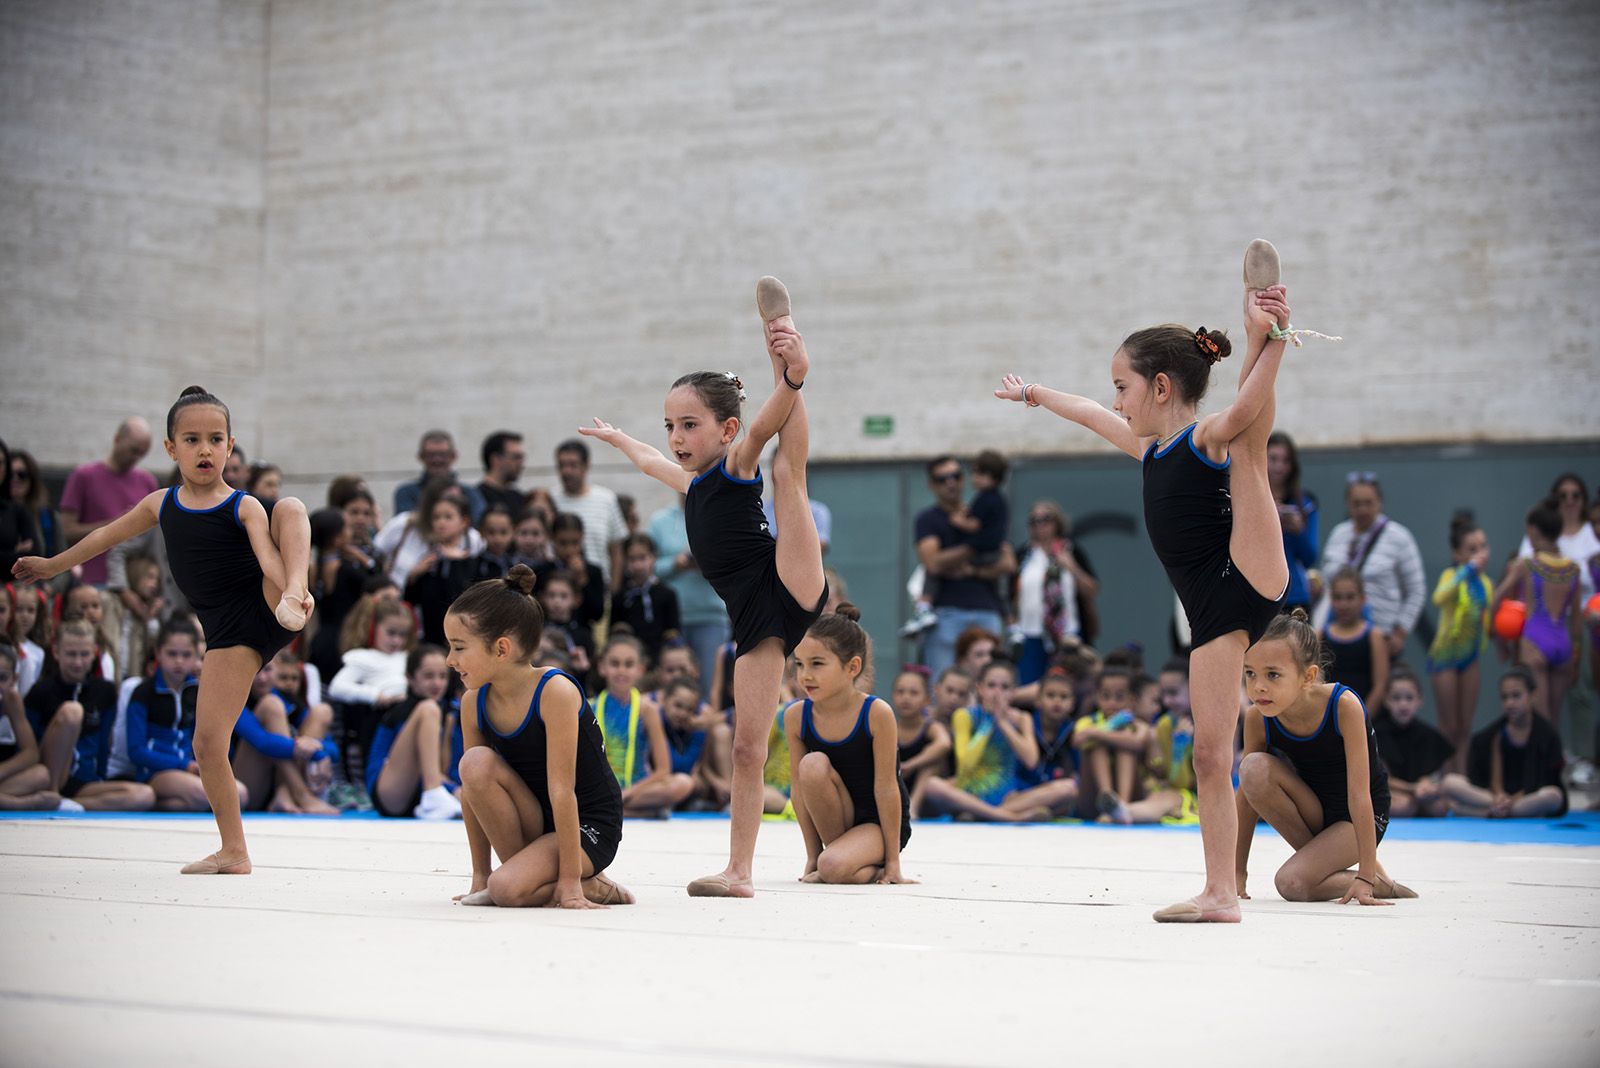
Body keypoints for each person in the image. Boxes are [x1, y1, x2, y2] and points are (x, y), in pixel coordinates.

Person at [994, 240, 1297, 922]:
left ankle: (1263, 320)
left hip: (1242, 574)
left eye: (1123, 386)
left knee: (1248, 445)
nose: (1116, 400)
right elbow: (1086, 412)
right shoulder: (1148, 447)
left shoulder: (1201, 436)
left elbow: (1246, 409)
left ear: (1161, 388)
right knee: (1210, 754)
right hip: (1212, 605)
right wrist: (1034, 394)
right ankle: (1221, 890)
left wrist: (1274, 340)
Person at [578, 275, 825, 897]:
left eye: (689, 425)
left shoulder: (737, 465)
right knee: (746, 747)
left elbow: (763, 429)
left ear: (725, 429)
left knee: (788, 475)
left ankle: (785, 347)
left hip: (784, 580)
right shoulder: (690, 485)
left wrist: (792, 382)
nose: (676, 438)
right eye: (670, 425)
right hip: (752, 615)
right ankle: (739, 871)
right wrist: (619, 438)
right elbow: (648, 461)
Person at [14, 387, 313, 871]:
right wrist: (52, 565)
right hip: (229, 633)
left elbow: (266, 558)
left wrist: (290, 592)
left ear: (230, 446)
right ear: (172, 448)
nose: (205, 449)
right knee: (207, 744)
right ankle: (234, 851)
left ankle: (299, 593)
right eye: (192, 440)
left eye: (215, 439)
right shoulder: (161, 504)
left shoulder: (244, 506)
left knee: (291, 507)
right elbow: (103, 537)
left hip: (271, 600)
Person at [448, 565, 632, 908]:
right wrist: (480, 876)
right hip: (536, 817)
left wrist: (570, 885)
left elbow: (562, 791)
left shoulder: (554, 692)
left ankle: (587, 883)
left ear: (501, 649)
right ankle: (516, 877)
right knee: (473, 764)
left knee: (506, 890)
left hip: (588, 825)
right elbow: (472, 794)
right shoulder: (473, 702)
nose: (449, 660)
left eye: (458, 648)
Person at [1234, 610, 1413, 905]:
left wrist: (1365, 877)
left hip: (1359, 817)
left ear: (1308, 677)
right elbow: (1245, 799)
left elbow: (1360, 795)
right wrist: (1236, 871)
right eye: (1250, 673)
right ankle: (1329, 862)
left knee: (1292, 883)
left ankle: (1377, 881)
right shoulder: (1258, 717)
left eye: (1273, 675)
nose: (1258, 686)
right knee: (1252, 768)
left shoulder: (1344, 706)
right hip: (1314, 808)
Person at [787, 606, 913, 885]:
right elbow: (799, 791)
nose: (805, 675)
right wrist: (812, 856)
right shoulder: (796, 716)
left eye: (817, 664)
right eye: (799, 664)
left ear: (852, 667)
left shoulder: (876, 713)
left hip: (879, 824)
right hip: (838, 816)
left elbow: (887, 788)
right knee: (811, 765)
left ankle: (863, 863)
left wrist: (893, 863)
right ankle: (836, 860)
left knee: (831, 866)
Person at [23, 619, 155, 810]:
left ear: (94, 652)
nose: (78, 662)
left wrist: (101, 777)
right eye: (71, 654)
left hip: (84, 783)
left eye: (84, 654)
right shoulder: (41, 691)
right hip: (49, 776)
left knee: (144, 795)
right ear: (56, 651)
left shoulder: (105, 691)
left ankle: (63, 804)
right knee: (72, 712)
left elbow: (104, 744)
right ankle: (51, 793)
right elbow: (29, 746)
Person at [122, 618, 249, 812]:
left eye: (186, 655)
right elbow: (136, 750)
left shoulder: (198, 691)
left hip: (192, 769)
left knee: (241, 794)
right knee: (208, 795)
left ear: (197, 655)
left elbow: (213, 737)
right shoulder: (143, 693)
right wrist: (183, 765)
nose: (179, 661)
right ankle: (158, 798)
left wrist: (205, 765)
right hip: (157, 771)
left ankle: (154, 803)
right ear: (158, 652)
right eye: (172, 654)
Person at [910, 456, 1013, 676]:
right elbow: (932, 563)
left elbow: (1008, 562)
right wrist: (975, 547)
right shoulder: (928, 519)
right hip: (946, 612)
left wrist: (971, 568)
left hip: (987, 608)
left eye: (956, 476)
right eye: (942, 478)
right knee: (944, 682)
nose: (951, 483)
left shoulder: (982, 509)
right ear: (931, 485)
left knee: (991, 681)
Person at [915, 659, 1044, 822]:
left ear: (1013, 692)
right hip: (968, 793)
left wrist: (1003, 723)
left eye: (1005, 687)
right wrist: (989, 722)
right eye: (991, 686)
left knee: (1066, 788)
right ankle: (1007, 816)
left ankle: (980, 813)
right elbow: (965, 764)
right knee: (932, 785)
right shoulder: (964, 716)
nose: (997, 693)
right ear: (980, 688)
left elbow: (1031, 761)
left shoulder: (1022, 718)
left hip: (1007, 796)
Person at [1494, 500, 1582, 730]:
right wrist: (1576, 657)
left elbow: (1496, 599)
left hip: (1535, 640)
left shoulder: (1526, 565)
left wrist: (1500, 641)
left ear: (1533, 530)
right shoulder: (1573, 569)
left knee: (1540, 723)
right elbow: (1577, 619)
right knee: (1554, 722)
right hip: (1563, 642)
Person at [1320, 474, 1426, 658]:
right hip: (1337, 638)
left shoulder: (1399, 537)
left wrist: (1400, 633)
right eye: (1356, 503)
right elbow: (1326, 582)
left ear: (1379, 503)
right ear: (1347, 504)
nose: (1362, 509)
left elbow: (1416, 589)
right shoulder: (1338, 534)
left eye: (1368, 503)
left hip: (1382, 638)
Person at [591, 633, 694, 817]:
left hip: (636, 790)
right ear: (602, 667)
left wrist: (627, 793)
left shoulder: (647, 710)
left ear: (640, 669)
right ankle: (637, 812)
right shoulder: (589, 707)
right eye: (614, 663)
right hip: (600, 791)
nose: (621, 670)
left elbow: (663, 770)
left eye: (629, 664)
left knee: (683, 783)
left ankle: (620, 810)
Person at [1441, 666, 1566, 818]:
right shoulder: (1492, 735)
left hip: (1526, 798)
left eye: (1516, 696)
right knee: (1450, 782)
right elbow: (1480, 779)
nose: (1510, 703)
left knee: (1553, 796)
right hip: (1493, 796)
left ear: (1533, 696)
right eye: (1505, 697)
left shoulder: (1547, 736)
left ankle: (1489, 812)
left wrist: (1514, 799)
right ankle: (1503, 810)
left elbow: (1548, 779)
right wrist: (1499, 796)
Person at [56, 419, 160, 587]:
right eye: (133, 450)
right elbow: (66, 530)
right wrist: (117, 524)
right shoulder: (83, 476)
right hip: (92, 581)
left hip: (134, 585)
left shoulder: (147, 481)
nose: (136, 458)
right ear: (117, 439)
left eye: (142, 453)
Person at [1427, 512, 1494, 774]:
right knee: (1449, 725)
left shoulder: (1486, 583)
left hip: (1470, 657)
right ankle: (1446, 777)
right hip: (1445, 657)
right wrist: (1466, 570)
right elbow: (1439, 598)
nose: (1480, 554)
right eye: (1472, 549)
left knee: (1465, 725)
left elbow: (1488, 618)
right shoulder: (1451, 575)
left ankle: (1461, 777)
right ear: (1458, 554)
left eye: (1483, 547)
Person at [365, 644, 462, 820]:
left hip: (422, 794)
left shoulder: (450, 714)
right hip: (389, 791)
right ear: (410, 678)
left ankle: (435, 796)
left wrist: (458, 791)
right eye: (428, 676)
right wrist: (451, 790)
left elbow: (446, 767)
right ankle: (434, 794)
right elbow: (418, 765)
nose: (437, 683)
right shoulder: (403, 712)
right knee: (429, 708)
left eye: (442, 676)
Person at [648, 495, 732, 686]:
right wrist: (675, 564)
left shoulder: (721, 517)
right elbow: (648, 567)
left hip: (711, 617)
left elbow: (734, 565)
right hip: (670, 619)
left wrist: (708, 564)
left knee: (711, 685)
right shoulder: (660, 521)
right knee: (671, 687)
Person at [1013, 500, 1098, 685]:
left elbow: (1092, 589)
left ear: (1057, 522)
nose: (1040, 525)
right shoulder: (1024, 555)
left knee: (1067, 683)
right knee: (1029, 683)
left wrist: (1071, 567)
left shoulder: (1071, 550)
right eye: (1034, 520)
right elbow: (1011, 594)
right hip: (1031, 631)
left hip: (1066, 634)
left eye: (1046, 519)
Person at [0, 644, 73, 810]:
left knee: (41, 775)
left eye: (2, 678)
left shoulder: (12, 700)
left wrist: (2, 770)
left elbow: (31, 753)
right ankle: (19, 803)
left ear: (14, 680)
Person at [1071, 666, 1150, 817]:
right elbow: (1077, 740)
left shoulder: (1139, 725)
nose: (1112, 703)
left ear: (1132, 699)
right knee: (1097, 746)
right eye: (1105, 696)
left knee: (1125, 747)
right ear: (1096, 697)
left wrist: (1095, 732)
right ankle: (1106, 797)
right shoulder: (1087, 722)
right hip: (1091, 797)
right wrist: (1109, 727)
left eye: (1119, 697)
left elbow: (1138, 743)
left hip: (1133, 798)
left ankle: (1121, 806)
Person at [1374, 667, 1452, 818]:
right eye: (1396, 698)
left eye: (1409, 698)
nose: (1403, 704)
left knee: (1439, 808)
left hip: (1420, 792)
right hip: (1394, 792)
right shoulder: (1377, 733)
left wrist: (1427, 786)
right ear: (1386, 700)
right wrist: (1413, 788)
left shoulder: (1428, 734)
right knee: (1404, 806)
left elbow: (1437, 773)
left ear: (1420, 700)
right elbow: (1383, 779)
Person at [551, 439, 628, 589]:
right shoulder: (551, 499)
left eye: (573, 465)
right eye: (562, 465)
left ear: (586, 466)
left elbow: (616, 549)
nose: (566, 471)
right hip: (558, 591)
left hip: (599, 588)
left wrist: (613, 589)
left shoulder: (606, 499)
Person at [1518, 474, 1600, 598]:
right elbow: (1524, 566)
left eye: (1576, 495)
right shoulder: (1541, 530)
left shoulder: (1594, 530)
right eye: (1563, 496)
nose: (1569, 501)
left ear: (1584, 499)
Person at [1321, 567, 1389, 712]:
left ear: (1363, 599)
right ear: (1331, 600)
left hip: (1366, 714)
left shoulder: (1374, 636)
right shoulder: (1319, 635)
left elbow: (1380, 686)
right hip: (1328, 714)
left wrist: (1363, 717)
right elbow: (1314, 683)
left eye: (1350, 597)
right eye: (1338, 597)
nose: (1344, 604)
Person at [1267, 431, 1319, 613]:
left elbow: (1310, 558)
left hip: (1295, 595)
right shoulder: (1248, 501)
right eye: (1273, 459)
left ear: (1293, 465)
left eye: (1286, 460)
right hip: (1259, 592)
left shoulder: (1305, 504)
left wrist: (1298, 531)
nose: (1279, 466)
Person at [610, 533, 682, 663]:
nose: (638, 565)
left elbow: (673, 632)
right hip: (630, 661)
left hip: (660, 660)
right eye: (632, 559)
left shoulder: (667, 594)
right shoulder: (620, 597)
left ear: (654, 557)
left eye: (642, 558)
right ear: (625, 561)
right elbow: (614, 634)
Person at [889, 668, 951, 814]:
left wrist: (911, 765)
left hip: (925, 794)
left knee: (933, 760)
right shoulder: (889, 727)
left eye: (914, 693)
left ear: (927, 700)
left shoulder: (931, 727)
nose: (906, 698)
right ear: (893, 696)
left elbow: (944, 744)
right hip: (895, 788)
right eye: (900, 692)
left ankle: (913, 806)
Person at [393, 430, 485, 523]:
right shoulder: (407, 492)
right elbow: (404, 524)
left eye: (443, 455)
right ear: (420, 457)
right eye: (430, 455)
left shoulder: (469, 493)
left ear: (453, 456)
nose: (437, 459)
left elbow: (480, 523)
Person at [9, 448, 60, 559]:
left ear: (32, 478)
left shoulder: (47, 515)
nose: (15, 479)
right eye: (9, 474)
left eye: (22, 474)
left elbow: (61, 553)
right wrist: (10, 553)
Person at [476, 431, 527, 517]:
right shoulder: (477, 498)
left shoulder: (519, 499)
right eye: (516, 457)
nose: (521, 464)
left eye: (522, 458)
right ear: (496, 459)